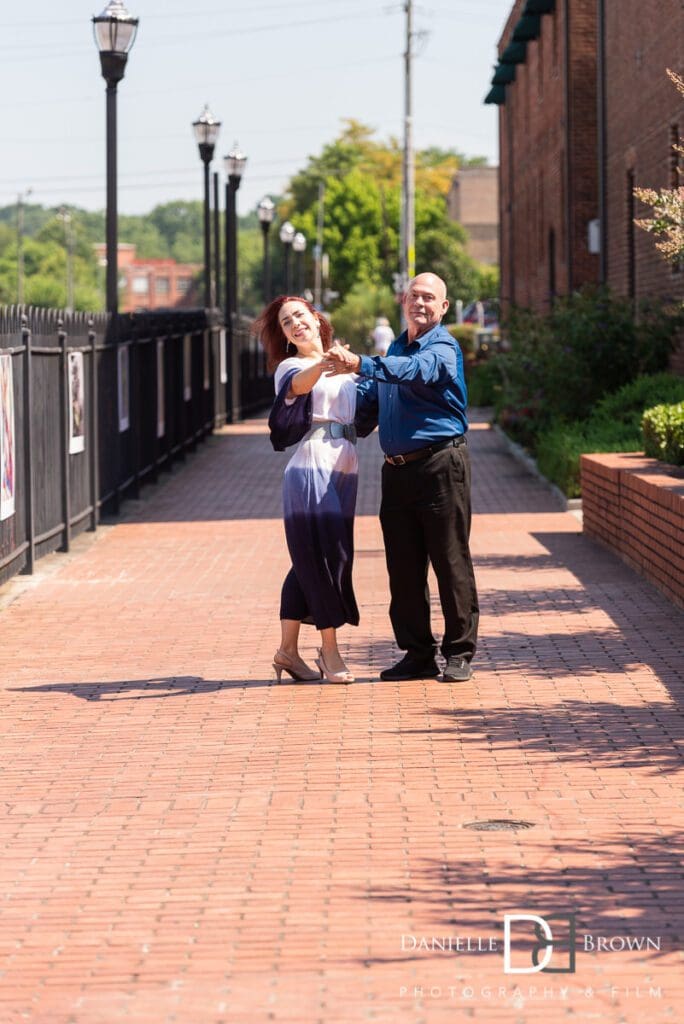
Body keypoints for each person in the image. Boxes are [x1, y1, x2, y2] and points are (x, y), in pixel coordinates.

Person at [322, 272, 479, 682]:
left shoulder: (442, 347)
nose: (420, 303)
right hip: (397, 472)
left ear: (443, 307)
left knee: (450, 561)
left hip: (440, 467)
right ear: (403, 301)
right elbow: (371, 402)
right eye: (414, 296)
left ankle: (459, 653)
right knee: (403, 569)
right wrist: (332, 417)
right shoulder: (394, 346)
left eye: (429, 297)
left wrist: (361, 363)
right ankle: (418, 654)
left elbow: (415, 372)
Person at [256, 295, 359, 684]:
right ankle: (330, 653)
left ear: (316, 318)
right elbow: (298, 387)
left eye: (300, 315)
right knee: (323, 557)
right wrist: (325, 361)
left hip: (345, 467)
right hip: (310, 465)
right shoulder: (292, 365)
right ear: (285, 336)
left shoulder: (346, 366)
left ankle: (287, 651)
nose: (295, 324)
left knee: (310, 558)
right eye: (286, 323)